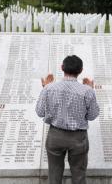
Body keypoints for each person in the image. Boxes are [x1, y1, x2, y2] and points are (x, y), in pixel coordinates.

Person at [36, 55, 100, 184]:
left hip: (55, 135)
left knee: (54, 175)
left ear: (62, 68)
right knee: (79, 175)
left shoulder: (49, 88)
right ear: (81, 70)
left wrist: (45, 89)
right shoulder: (87, 91)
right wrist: (91, 90)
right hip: (78, 138)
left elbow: (40, 112)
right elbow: (92, 115)